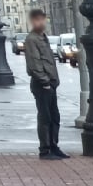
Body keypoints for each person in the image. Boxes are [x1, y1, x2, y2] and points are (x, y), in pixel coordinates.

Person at [23, 9, 68, 160]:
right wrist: (45, 82)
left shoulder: (43, 37)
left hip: (50, 83)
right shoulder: (32, 39)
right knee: (45, 117)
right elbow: (35, 63)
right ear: (32, 21)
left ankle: (54, 146)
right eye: (37, 20)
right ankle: (45, 149)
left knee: (55, 117)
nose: (40, 23)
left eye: (42, 20)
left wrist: (54, 82)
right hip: (42, 84)